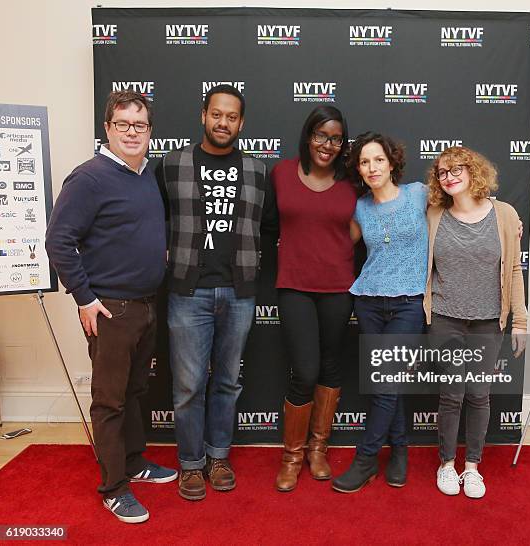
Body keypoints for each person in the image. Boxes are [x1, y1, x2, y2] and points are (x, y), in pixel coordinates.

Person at [45, 91, 177, 523]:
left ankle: (134, 462)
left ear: (150, 131)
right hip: (110, 310)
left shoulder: (143, 176)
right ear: (107, 128)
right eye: (123, 124)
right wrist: (85, 297)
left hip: (144, 305)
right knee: (109, 402)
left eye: (140, 125)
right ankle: (114, 488)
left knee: (135, 392)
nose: (132, 132)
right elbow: (58, 242)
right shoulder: (89, 178)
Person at [156, 84, 278, 501]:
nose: (222, 122)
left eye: (231, 117)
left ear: (241, 123)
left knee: (227, 382)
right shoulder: (171, 165)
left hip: (239, 291)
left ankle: (218, 456)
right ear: (203, 116)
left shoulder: (259, 171)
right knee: (189, 385)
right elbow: (154, 223)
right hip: (188, 292)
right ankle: (191, 463)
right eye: (216, 114)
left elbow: (270, 227)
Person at [424, 146, 527, 499]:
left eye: (456, 170)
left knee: (479, 395)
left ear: (473, 172)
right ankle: (446, 464)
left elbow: (514, 269)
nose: (449, 177)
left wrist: (521, 321)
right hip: (446, 319)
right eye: (442, 172)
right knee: (452, 395)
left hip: (488, 322)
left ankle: (472, 468)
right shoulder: (433, 214)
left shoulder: (506, 215)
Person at [332, 132, 428, 493]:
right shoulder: (359, 207)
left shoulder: (420, 194)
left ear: (392, 163)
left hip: (408, 303)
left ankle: (366, 458)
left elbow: (465, 205)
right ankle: (400, 450)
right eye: (364, 162)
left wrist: (506, 220)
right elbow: (339, 244)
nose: (372, 167)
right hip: (369, 301)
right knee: (386, 384)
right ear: (358, 168)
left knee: (386, 381)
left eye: (378, 160)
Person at [272, 106, 356, 492]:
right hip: (294, 286)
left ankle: (318, 450)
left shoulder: (351, 181)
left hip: (338, 286)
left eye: (336, 138)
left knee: (330, 367)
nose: (328, 145)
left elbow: (381, 213)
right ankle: (292, 454)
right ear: (308, 136)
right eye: (322, 136)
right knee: (304, 370)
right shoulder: (282, 173)